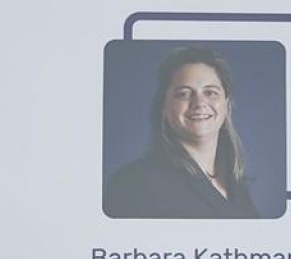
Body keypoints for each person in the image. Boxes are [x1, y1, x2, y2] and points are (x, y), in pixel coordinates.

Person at [104, 46, 260, 219]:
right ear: (164, 106)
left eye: (210, 92)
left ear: (226, 104)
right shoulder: (132, 185)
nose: (199, 103)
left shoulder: (235, 184)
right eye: (184, 94)